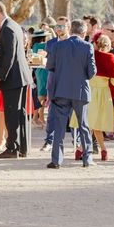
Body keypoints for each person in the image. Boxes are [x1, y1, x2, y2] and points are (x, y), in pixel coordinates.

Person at [46, 20, 97, 168]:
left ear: (71, 29)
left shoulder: (57, 46)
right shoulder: (87, 47)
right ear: (83, 32)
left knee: (60, 126)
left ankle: (56, 160)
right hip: (81, 90)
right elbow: (92, 71)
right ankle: (87, 159)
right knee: (84, 126)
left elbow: (50, 66)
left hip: (61, 90)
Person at [0, 1, 32, 159]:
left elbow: (10, 55)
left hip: (13, 78)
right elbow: (4, 46)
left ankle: (12, 148)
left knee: (12, 114)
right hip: (19, 77)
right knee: (20, 113)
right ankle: (21, 147)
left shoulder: (7, 28)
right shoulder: (13, 25)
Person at [71, 34, 114, 162]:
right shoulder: (111, 58)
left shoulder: (89, 55)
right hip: (103, 94)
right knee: (95, 124)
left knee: (89, 122)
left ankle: (82, 149)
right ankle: (101, 150)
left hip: (89, 91)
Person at [41, 16, 71, 152]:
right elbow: (48, 63)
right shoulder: (51, 43)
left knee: (73, 114)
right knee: (52, 113)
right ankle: (49, 141)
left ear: (68, 27)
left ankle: (77, 142)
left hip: (70, 83)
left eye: (62, 26)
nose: (58, 29)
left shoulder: (74, 42)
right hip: (53, 81)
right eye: (57, 26)